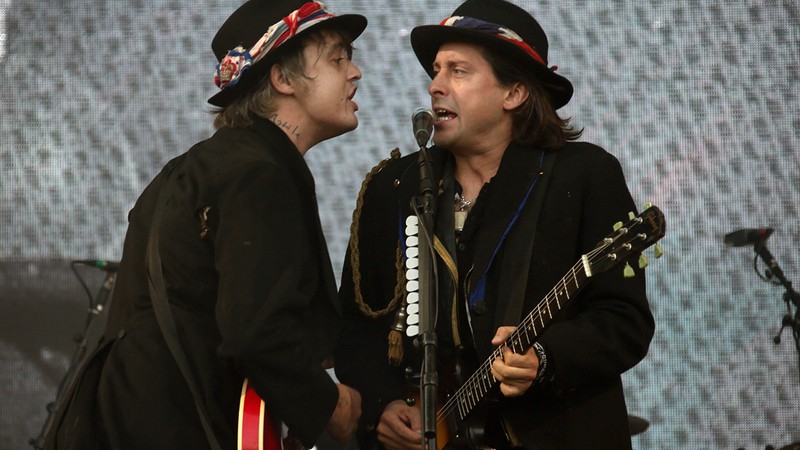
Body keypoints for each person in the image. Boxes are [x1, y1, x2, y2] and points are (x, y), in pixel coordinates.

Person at [334, 0, 655, 449]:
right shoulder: (394, 185)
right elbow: (354, 325)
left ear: (514, 93)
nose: (435, 86)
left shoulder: (583, 175)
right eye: (437, 70)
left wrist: (543, 358)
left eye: (458, 71)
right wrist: (382, 405)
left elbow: (625, 322)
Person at [45, 1, 365, 449]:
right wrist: (331, 407)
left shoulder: (194, 169)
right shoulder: (259, 173)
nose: (356, 73)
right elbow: (256, 334)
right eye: (338, 58)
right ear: (283, 78)